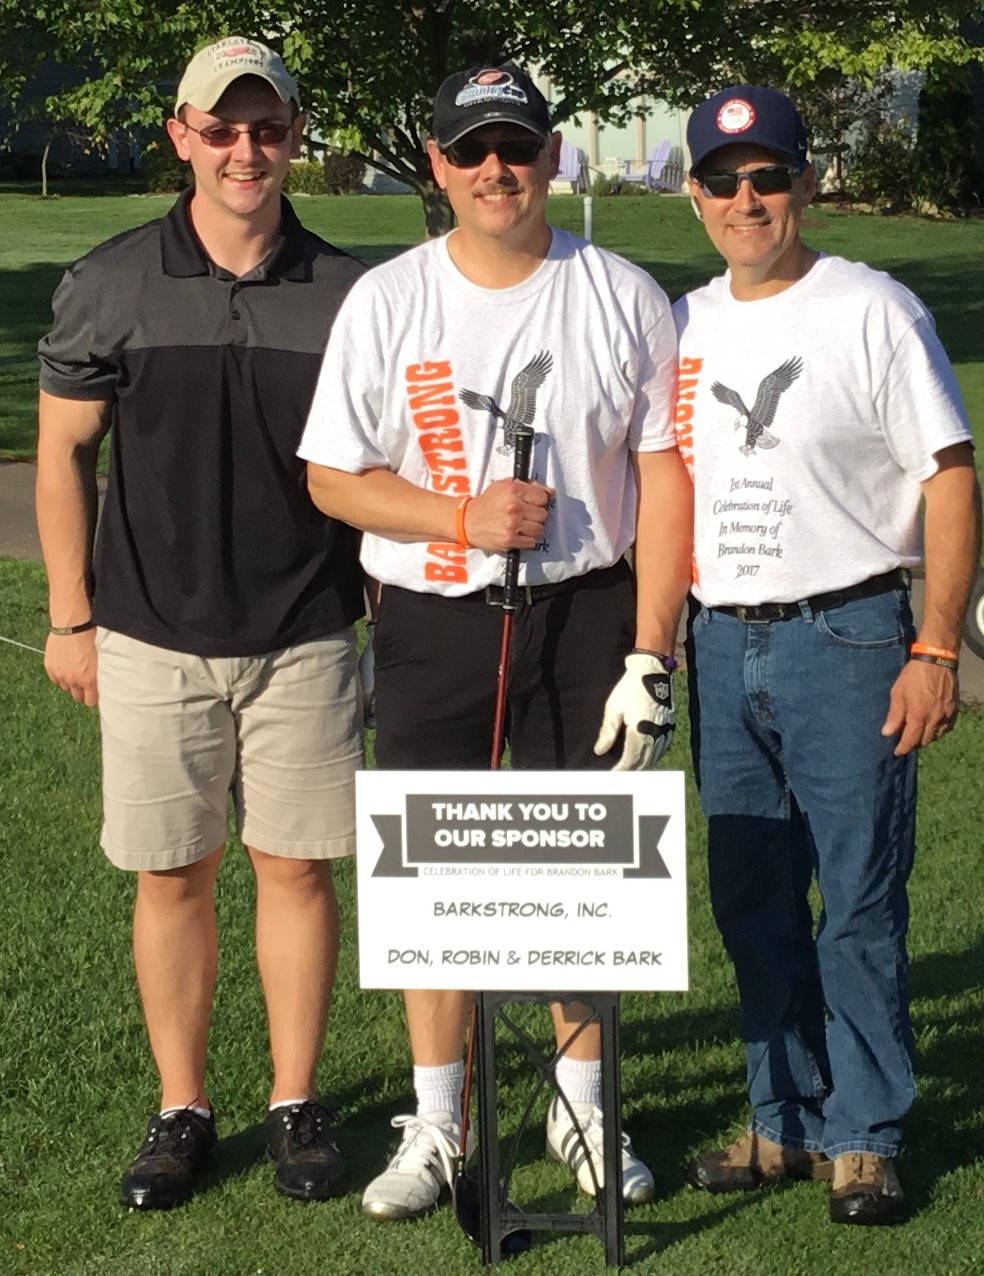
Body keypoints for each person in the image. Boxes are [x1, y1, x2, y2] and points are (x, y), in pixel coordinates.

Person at [298, 64, 692, 1221]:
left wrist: (651, 649)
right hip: (430, 616)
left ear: (554, 153)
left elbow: (663, 477)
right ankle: (439, 1119)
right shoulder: (389, 299)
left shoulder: (622, 293)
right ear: (436, 163)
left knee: (585, 873)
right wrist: (459, 519)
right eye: (470, 150)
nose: (494, 170)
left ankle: (580, 1101)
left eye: (515, 146)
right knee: (429, 873)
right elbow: (332, 475)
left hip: (588, 621)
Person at [35, 37, 365, 1210]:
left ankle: (294, 1100)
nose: (245, 150)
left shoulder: (349, 292)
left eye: (266, 127)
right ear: (180, 134)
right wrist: (69, 616)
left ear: (293, 136)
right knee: (171, 874)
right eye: (220, 128)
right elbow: (65, 455)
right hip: (147, 634)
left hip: (308, 628)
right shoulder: (110, 280)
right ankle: (181, 1106)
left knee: (297, 870)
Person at [674, 84, 980, 1225]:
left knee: (855, 896)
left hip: (850, 634)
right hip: (718, 637)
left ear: (806, 181)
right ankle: (778, 1117)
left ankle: (863, 1131)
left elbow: (949, 477)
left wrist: (936, 645)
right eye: (723, 178)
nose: (747, 199)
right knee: (749, 893)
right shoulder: (686, 324)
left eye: (768, 175)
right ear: (695, 192)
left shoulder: (873, 308)